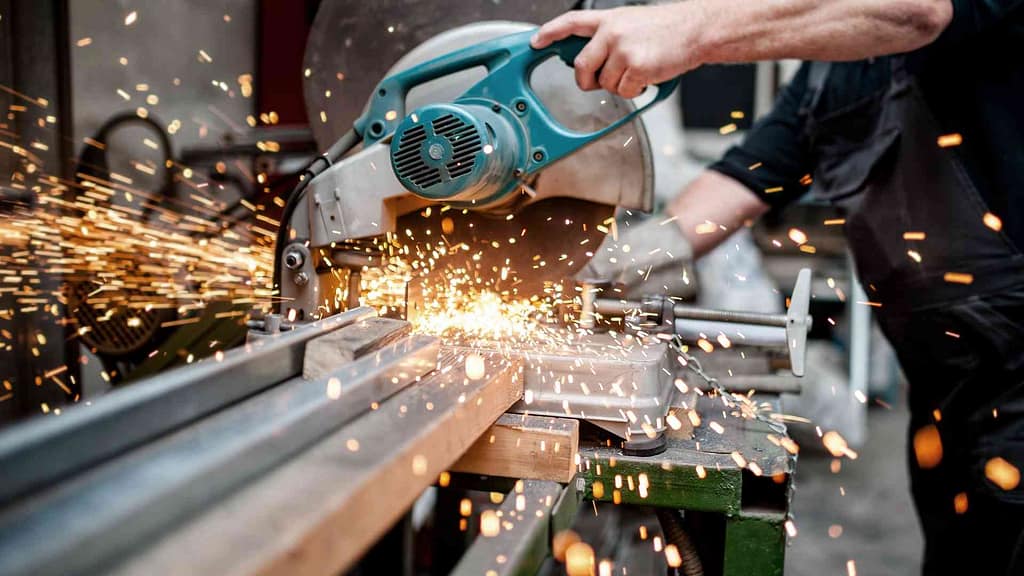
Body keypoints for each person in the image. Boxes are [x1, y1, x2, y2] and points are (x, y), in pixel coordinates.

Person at [532, 1, 1024, 574]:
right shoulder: (829, 75)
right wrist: (605, 266)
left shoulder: (902, 15)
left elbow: (916, 12)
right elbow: (741, 179)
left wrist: (687, 27)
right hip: (949, 383)